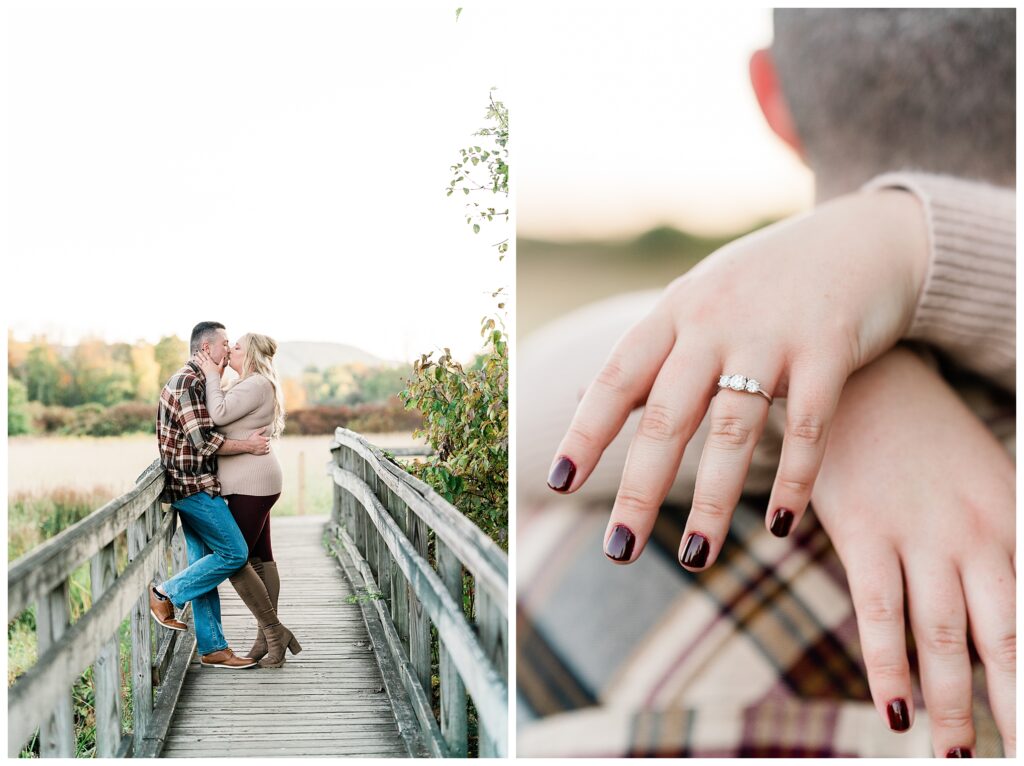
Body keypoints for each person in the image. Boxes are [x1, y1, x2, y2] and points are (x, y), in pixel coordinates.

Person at [519, 8, 1014, 759]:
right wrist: (848, 382)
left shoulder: (553, 561)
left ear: (770, 93)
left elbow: (528, 407)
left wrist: (910, 238)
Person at [149, 321, 271, 669]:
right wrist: (247, 445)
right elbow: (203, 440)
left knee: (205, 564)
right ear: (206, 349)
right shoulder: (187, 381)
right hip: (193, 487)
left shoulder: (201, 382)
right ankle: (164, 594)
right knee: (235, 553)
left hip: (197, 484)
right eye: (224, 344)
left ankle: (213, 647)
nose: (228, 350)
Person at [195, 332, 301, 668]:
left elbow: (219, 415)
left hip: (252, 483)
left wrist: (213, 376)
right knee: (259, 557)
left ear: (251, 354)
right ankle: (265, 638)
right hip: (254, 480)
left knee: (234, 558)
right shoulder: (253, 383)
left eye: (236, 346)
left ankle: (273, 632)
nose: (229, 350)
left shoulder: (255, 383)